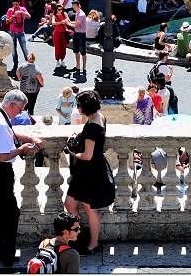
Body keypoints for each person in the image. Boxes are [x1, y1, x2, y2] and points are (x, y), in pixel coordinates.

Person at [0, 90, 42, 265]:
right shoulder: (0, 122)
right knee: (10, 212)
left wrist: (29, 137)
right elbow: (3, 155)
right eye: (21, 109)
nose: (21, 113)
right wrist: (22, 150)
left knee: (3, 211)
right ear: (12, 105)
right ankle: (6, 253)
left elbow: (9, 132)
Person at [63, 89, 111, 256]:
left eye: (79, 105)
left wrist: (72, 152)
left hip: (88, 170)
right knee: (72, 204)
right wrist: (81, 133)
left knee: (88, 208)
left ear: (85, 107)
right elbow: (94, 133)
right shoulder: (99, 117)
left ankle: (92, 243)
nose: (78, 108)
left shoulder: (92, 127)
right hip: (94, 169)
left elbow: (87, 155)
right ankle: (81, 238)